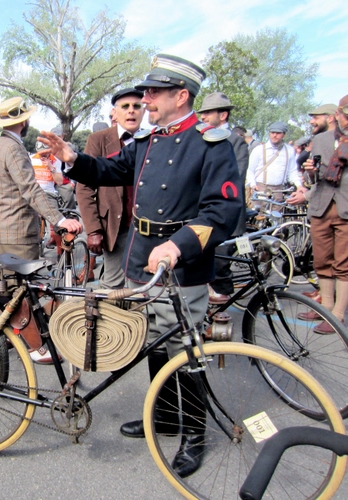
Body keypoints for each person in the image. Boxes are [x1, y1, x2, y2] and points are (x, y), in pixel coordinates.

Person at [39, 53, 243, 477]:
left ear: (181, 96)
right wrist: (73, 157)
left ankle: (195, 433)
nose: (145, 99)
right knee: (154, 339)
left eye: (154, 92)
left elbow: (223, 210)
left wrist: (178, 246)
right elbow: (111, 170)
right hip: (142, 253)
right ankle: (165, 417)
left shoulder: (210, 143)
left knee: (184, 349)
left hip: (181, 261)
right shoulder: (149, 140)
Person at [0, 96, 82, 364]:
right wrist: (59, 219)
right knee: (22, 290)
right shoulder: (13, 148)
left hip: (8, 225)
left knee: (12, 286)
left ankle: (12, 334)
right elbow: (30, 189)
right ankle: (35, 347)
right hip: (17, 229)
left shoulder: (0, 145)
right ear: (24, 121)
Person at [288, 94, 348, 333]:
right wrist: (310, 172)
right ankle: (325, 307)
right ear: (338, 115)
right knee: (322, 261)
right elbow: (314, 178)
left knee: (344, 264)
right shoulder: (322, 139)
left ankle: (337, 317)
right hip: (322, 206)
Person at [76, 87, 145, 289]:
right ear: (114, 112)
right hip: (116, 227)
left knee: (144, 286)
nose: (131, 110)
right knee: (112, 286)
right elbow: (84, 187)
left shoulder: (152, 139)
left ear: (143, 111)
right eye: (125, 106)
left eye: (137, 106)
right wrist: (93, 229)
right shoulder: (99, 139)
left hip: (146, 228)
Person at [198, 91, 249, 304]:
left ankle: (222, 310)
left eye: (208, 113)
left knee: (220, 263)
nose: (203, 117)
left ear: (223, 115)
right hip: (202, 213)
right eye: (202, 113)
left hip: (224, 214)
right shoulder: (200, 138)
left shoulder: (235, 142)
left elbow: (234, 179)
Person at [246, 121, 305, 203]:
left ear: (284, 135)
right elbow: (250, 170)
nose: (274, 135)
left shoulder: (289, 150)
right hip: (261, 189)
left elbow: (292, 171)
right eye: (272, 132)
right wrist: (252, 184)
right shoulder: (259, 150)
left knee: (277, 210)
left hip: (279, 191)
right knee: (259, 211)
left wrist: (299, 185)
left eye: (278, 133)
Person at [30, 140, 63, 249]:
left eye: (45, 153)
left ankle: (59, 248)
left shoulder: (56, 160)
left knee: (57, 221)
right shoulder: (31, 159)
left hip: (49, 193)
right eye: (41, 153)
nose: (43, 156)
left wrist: (51, 167)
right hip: (34, 192)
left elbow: (59, 182)